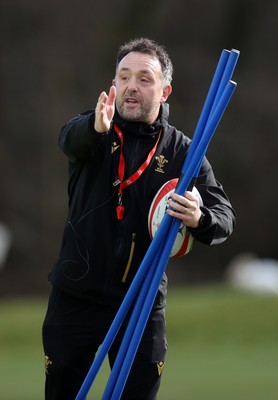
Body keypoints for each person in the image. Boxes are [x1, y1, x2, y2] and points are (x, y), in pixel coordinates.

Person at [42, 37, 236, 399]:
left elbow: (224, 219)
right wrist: (94, 129)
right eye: (124, 76)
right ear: (114, 85)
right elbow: (68, 140)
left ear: (165, 91)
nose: (132, 86)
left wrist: (199, 216)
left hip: (141, 302)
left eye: (145, 79)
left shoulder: (183, 150)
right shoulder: (94, 128)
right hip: (76, 296)